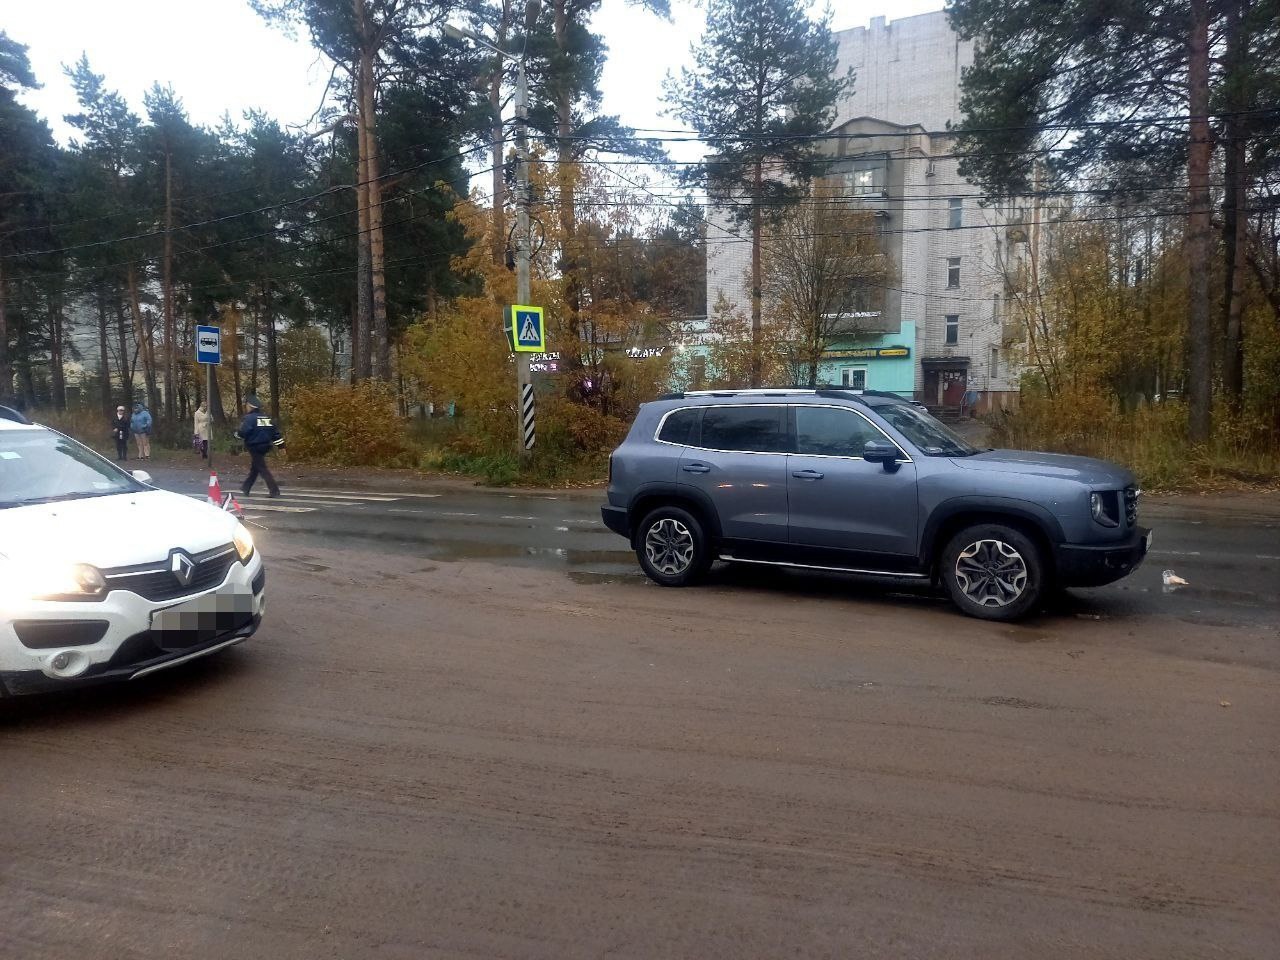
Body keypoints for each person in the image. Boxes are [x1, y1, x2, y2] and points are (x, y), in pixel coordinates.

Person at [236, 396, 283, 497]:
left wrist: (237, 434)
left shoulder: (249, 418)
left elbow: (243, 432)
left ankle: (274, 490)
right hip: (265, 446)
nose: (246, 408)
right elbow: (275, 433)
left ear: (250, 406)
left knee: (262, 468)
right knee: (255, 467)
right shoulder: (266, 418)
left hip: (254, 446)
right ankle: (246, 487)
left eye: (247, 406)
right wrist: (281, 446)